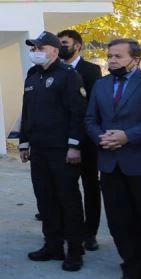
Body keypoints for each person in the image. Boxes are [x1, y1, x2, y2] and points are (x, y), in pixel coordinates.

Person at [19, 31, 87, 272]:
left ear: (55, 51)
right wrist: (24, 142)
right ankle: (53, 245)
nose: (35, 51)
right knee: (45, 199)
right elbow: (27, 112)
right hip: (39, 149)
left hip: (62, 150)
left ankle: (75, 251)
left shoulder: (68, 76)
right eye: (33, 48)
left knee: (68, 200)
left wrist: (74, 145)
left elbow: (78, 113)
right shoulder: (32, 76)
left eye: (41, 47)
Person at [85, 38, 141, 279]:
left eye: (118, 56)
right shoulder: (101, 85)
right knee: (120, 222)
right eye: (110, 56)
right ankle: (132, 274)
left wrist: (127, 136)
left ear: (136, 59)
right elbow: (90, 119)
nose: (112, 61)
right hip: (110, 164)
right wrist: (102, 137)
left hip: (139, 163)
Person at [58, 29, 103, 251]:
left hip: (86, 141)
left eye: (64, 43)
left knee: (90, 185)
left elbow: (93, 106)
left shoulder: (91, 70)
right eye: (58, 43)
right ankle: (70, 229)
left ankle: (90, 232)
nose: (61, 47)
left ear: (77, 46)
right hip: (62, 139)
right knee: (66, 187)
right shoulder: (55, 71)